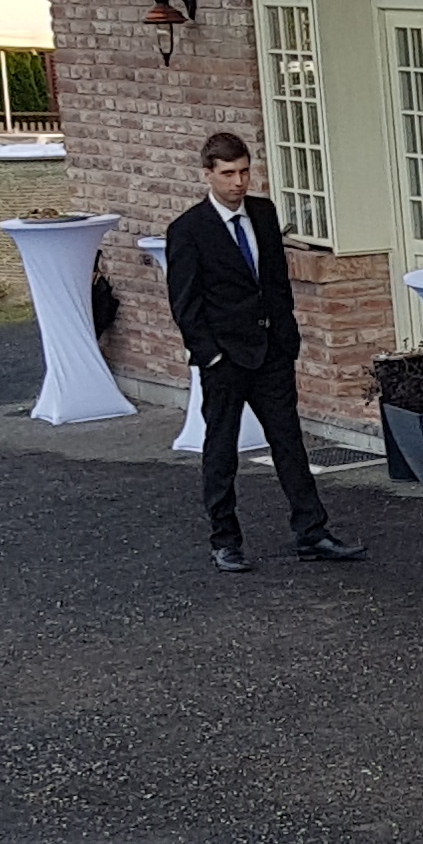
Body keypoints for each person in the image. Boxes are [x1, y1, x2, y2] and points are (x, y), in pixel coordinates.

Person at [161, 131, 362, 573]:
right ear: (207, 174)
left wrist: (286, 337)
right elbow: (185, 303)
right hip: (225, 359)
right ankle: (225, 540)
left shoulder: (263, 214)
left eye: (244, 172)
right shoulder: (188, 231)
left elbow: (275, 282)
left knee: (289, 442)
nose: (238, 182)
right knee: (221, 449)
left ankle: (312, 532)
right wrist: (210, 355)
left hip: (270, 351)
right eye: (228, 173)